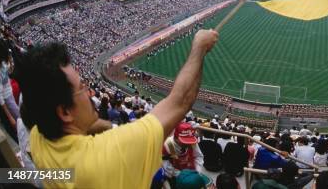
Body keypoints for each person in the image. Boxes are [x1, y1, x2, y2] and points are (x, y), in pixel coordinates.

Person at [18, 30, 218, 189]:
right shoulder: (116, 151)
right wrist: (199, 47)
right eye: (82, 88)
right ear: (65, 112)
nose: (90, 93)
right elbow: (180, 102)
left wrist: (111, 128)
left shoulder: (38, 138)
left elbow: (89, 127)